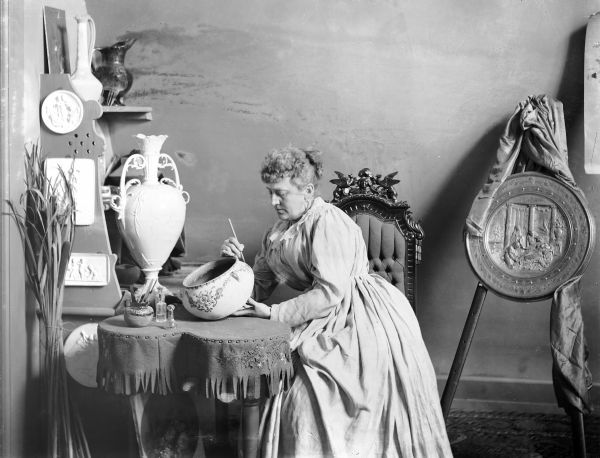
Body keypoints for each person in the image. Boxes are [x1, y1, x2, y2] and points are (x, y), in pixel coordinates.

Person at [221, 145, 452, 457]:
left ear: (307, 190)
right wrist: (234, 267)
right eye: (269, 192)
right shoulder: (279, 232)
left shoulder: (328, 222)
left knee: (314, 402)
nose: (273, 201)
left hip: (364, 320)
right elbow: (257, 287)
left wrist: (274, 313)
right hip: (320, 319)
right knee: (297, 400)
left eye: (280, 193)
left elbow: (330, 293)